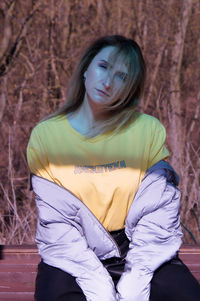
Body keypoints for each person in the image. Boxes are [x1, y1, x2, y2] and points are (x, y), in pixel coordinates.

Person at [27, 35, 200, 301]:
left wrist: (136, 277)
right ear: (86, 69)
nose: (108, 82)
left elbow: (158, 211)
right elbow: (57, 222)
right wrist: (97, 284)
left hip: (138, 250)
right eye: (103, 67)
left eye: (121, 77)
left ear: (130, 89)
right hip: (71, 252)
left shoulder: (147, 130)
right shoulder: (46, 136)